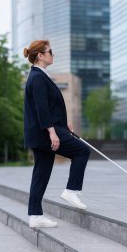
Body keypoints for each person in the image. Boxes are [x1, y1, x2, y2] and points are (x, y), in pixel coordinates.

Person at [23, 40, 90, 228]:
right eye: (50, 51)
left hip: (43, 133)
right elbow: (41, 108)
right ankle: (71, 190)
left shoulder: (39, 76)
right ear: (40, 56)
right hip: (45, 133)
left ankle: (35, 216)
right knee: (81, 152)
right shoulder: (37, 77)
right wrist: (53, 132)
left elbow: (50, 106)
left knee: (41, 174)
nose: (53, 54)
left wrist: (62, 124)